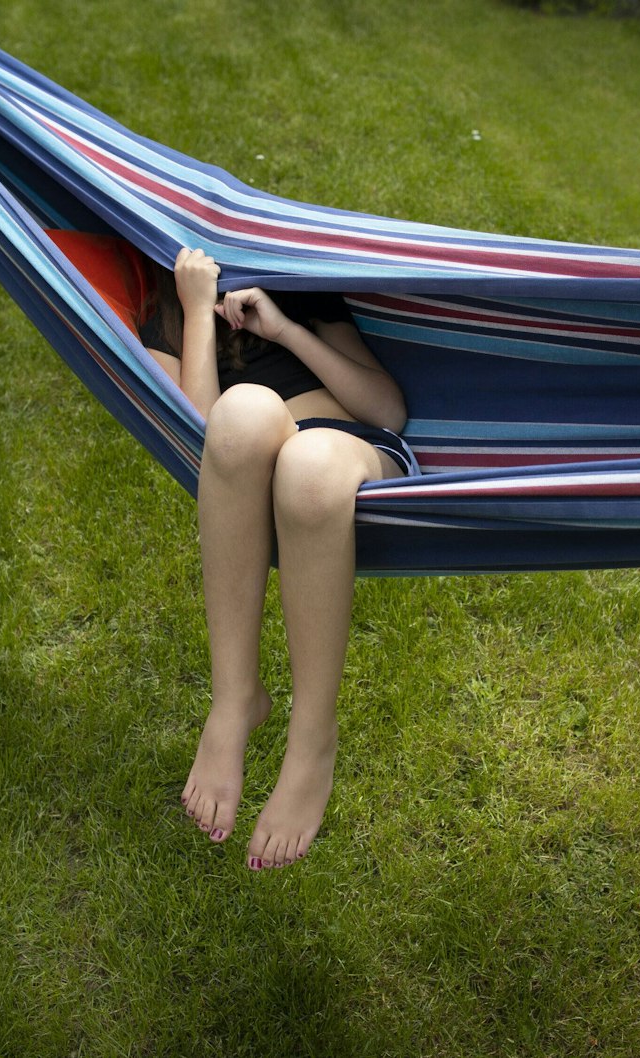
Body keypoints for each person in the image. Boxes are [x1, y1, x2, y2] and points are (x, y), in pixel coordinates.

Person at [140, 247, 414, 872]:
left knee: (308, 463)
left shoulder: (298, 287)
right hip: (248, 468)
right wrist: (195, 310)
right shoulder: (165, 322)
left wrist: (285, 328)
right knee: (240, 410)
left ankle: (313, 740)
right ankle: (234, 699)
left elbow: (388, 411)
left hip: (349, 452)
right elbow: (206, 440)